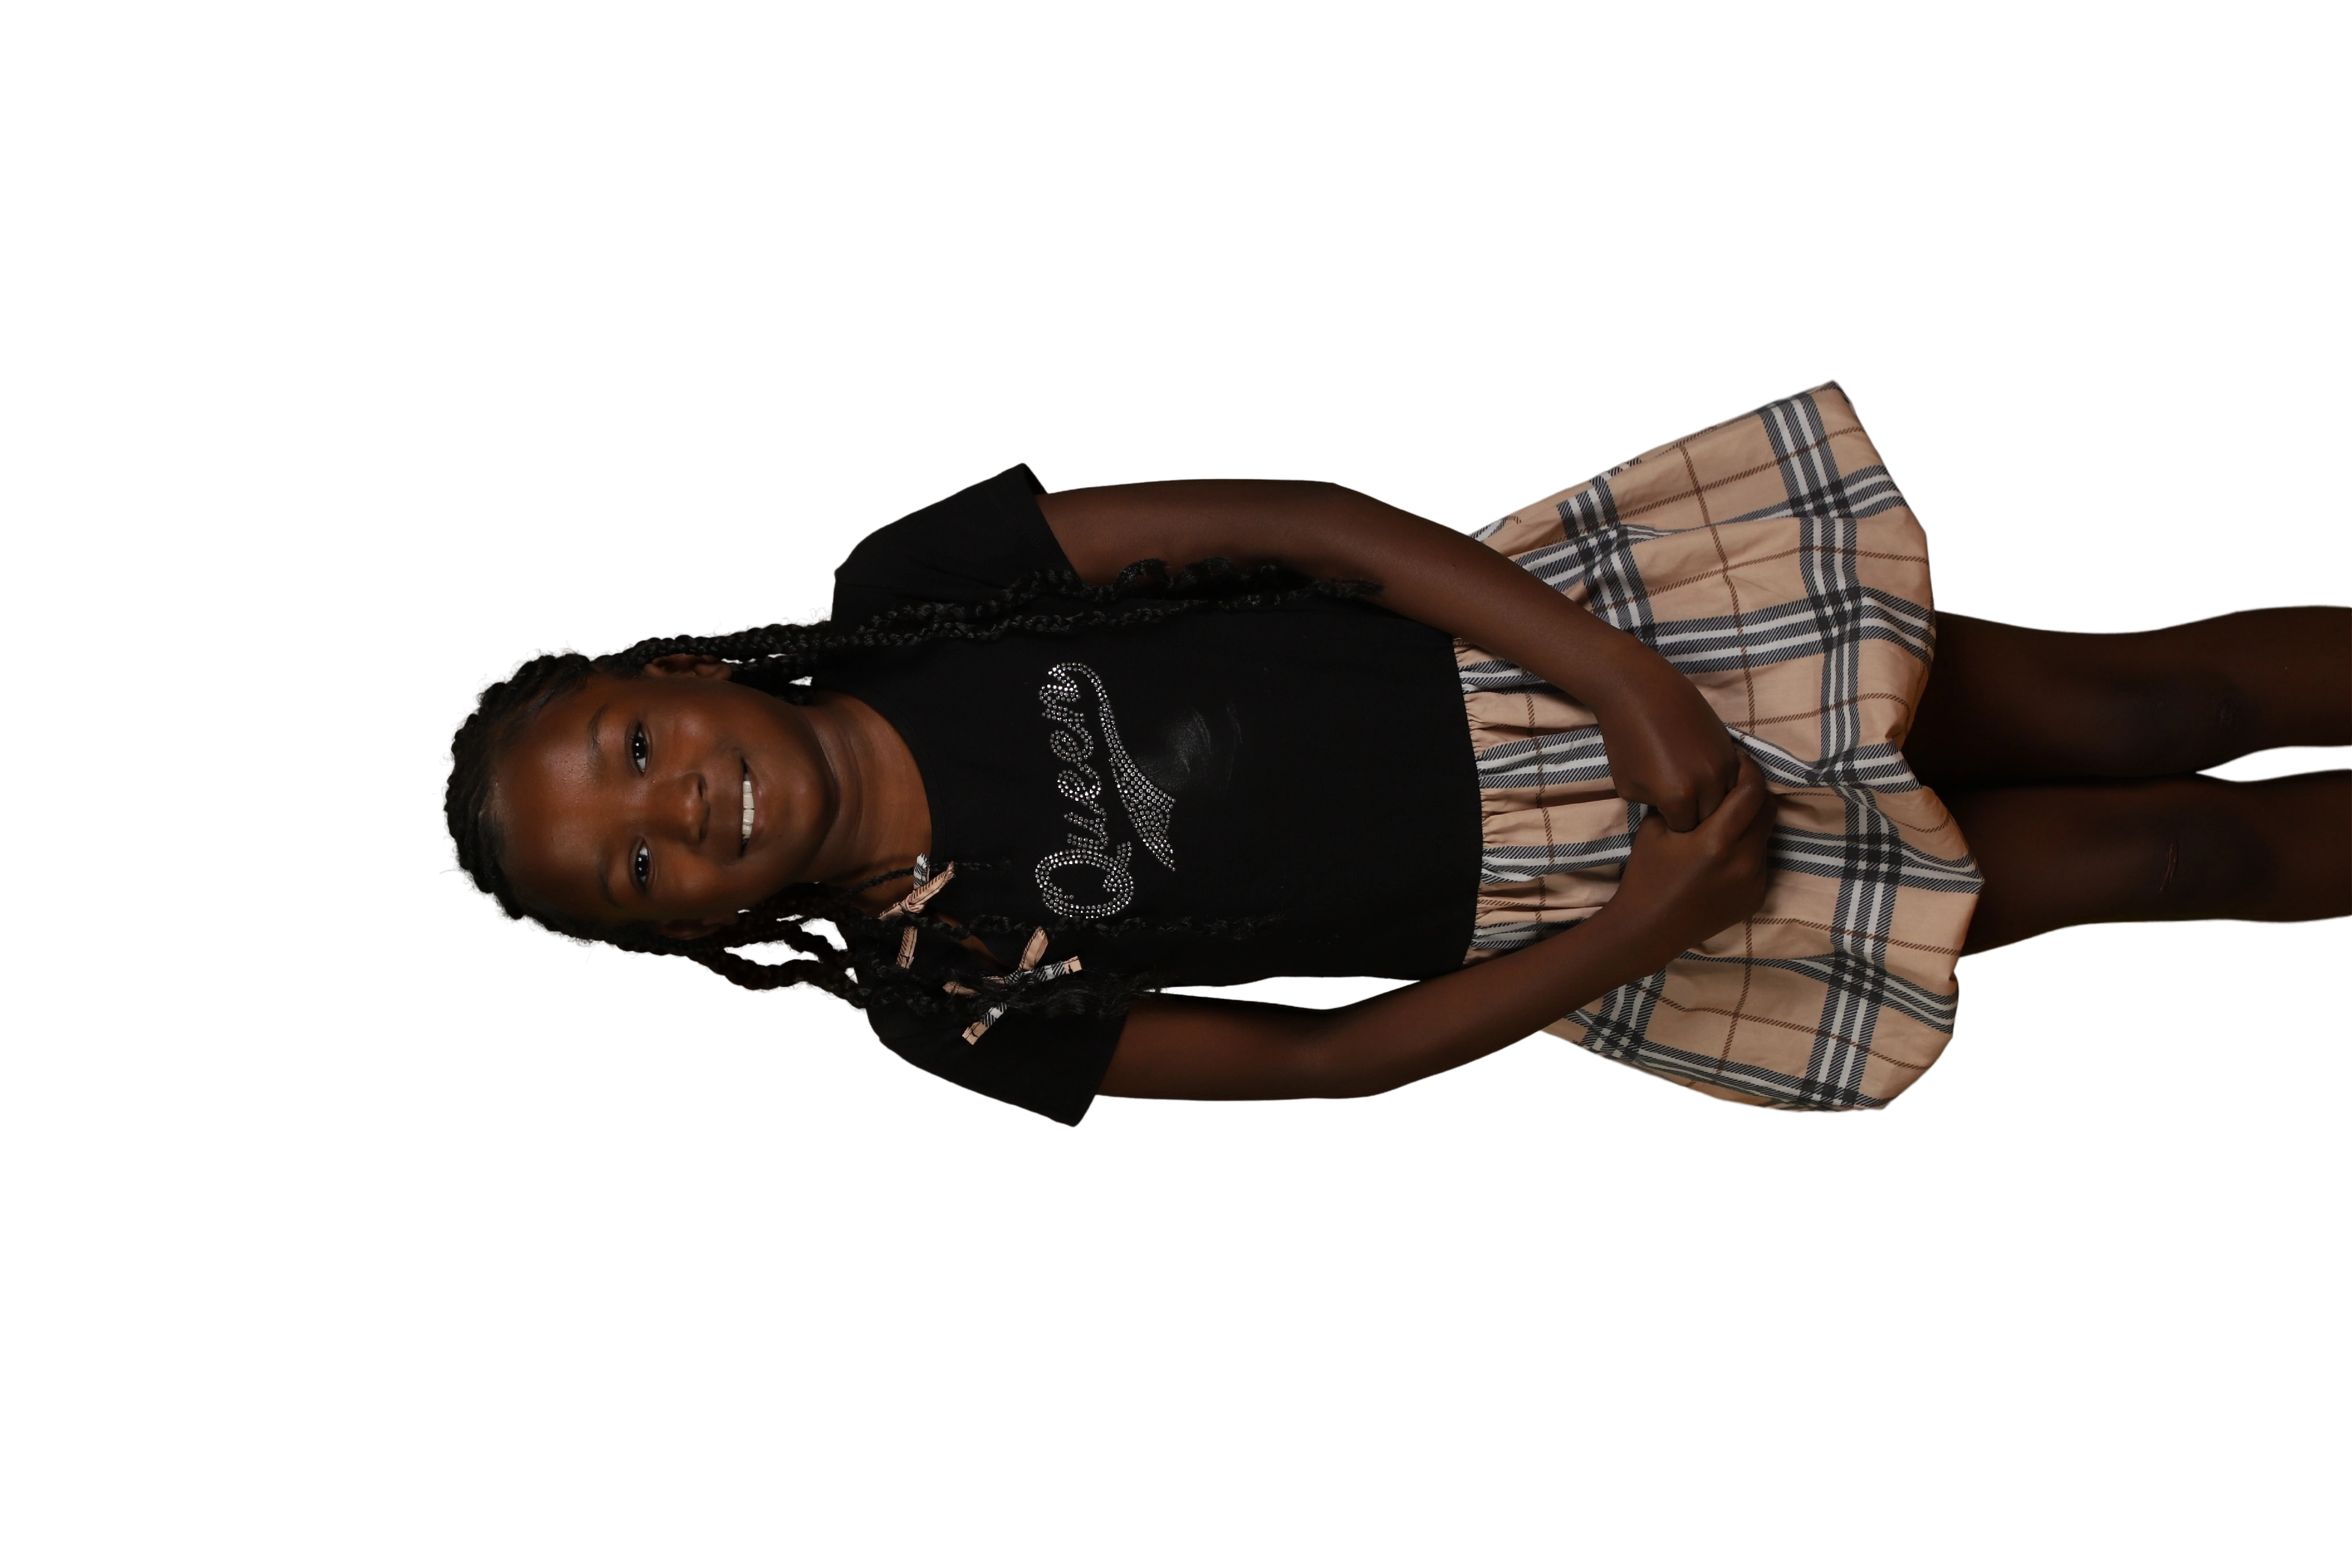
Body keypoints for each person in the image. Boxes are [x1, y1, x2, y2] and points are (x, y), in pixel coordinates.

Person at [434, 382, 2352, 1129]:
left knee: (2137, 718)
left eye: (632, 745)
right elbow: (1323, 1057)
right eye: (637, 861)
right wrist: (1651, 920)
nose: (676, 802)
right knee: (2158, 864)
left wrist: (1625, 683)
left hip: (1596, 676)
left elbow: (1304, 527)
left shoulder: (918, 590)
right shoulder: (949, 1006)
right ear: (679, 929)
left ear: (664, 668)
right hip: (1620, 894)